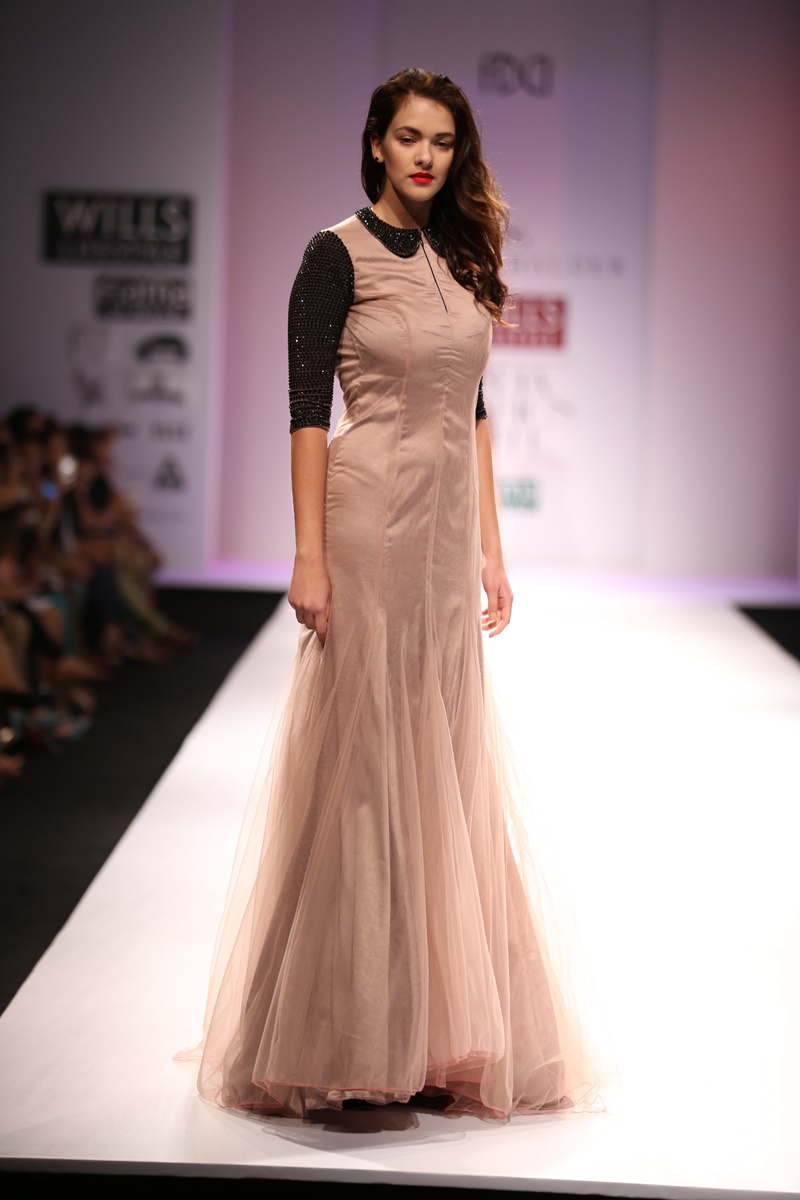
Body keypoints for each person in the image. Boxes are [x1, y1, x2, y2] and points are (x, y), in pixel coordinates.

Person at [188, 67, 610, 1119]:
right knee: (369, 770)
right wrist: (308, 554)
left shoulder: (466, 257)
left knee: (441, 764)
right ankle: (352, 1039)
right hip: (368, 522)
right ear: (376, 141)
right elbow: (306, 413)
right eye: (410, 137)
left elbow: (475, 411)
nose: (426, 156)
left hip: (443, 542)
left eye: (443, 142)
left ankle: (430, 1037)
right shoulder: (332, 255)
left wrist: (492, 551)